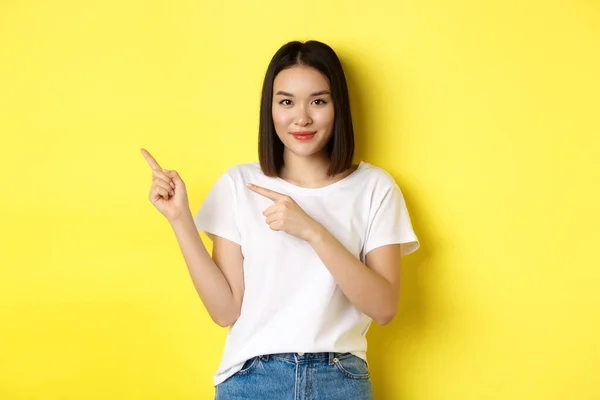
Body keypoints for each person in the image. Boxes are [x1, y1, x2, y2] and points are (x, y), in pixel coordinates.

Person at [141, 40, 420, 400]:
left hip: (339, 379)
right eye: (286, 101)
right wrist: (179, 220)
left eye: (318, 101)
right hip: (253, 380)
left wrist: (312, 231)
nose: (301, 117)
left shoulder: (374, 187)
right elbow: (225, 310)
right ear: (270, 108)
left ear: (338, 107)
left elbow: (383, 308)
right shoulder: (239, 184)